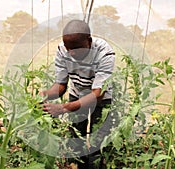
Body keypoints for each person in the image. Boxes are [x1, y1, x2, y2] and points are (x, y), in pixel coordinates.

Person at [40, 19, 115, 169]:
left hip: (101, 99)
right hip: (77, 93)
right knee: (75, 138)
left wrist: (64, 108)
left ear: (89, 41)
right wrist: (44, 96)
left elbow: (97, 94)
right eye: (69, 49)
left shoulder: (104, 53)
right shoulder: (62, 50)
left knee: (98, 140)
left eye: (76, 49)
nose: (71, 53)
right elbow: (61, 85)